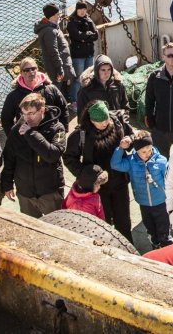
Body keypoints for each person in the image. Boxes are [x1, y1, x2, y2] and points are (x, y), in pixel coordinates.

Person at [64, 100, 134, 241]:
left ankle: (127, 244)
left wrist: (129, 141)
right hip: (98, 188)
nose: (105, 123)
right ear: (91, 120)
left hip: (119, 182)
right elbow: (69, 158)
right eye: (100, 121)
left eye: (106, 119)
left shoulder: (117, 123)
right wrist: (88, 174)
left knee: (123, 220)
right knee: (104, 221)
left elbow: (132, 135)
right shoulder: (81, 135)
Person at [0, 92, 67, 217]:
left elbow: (53, 154)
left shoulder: (57, 129)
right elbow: (9, 158)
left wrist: (31, 134)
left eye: (31, 113)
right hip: (25, 193)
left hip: (49, 191)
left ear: (42, 109)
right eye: (23, 114)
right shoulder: (16, 130)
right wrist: (7, 184)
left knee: (57, 227)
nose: (27, 118)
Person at [112, 130, 172, 249]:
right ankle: (155, 245)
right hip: (143, 203)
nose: (147, 153)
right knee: (150, 228)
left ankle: (166, 247)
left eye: (149, 150)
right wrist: (120, 148)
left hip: (161, 202)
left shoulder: (161, 161)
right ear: (136, 150)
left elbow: (170, 181)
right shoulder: (131, 162)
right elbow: (115, 164)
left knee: (163, 229)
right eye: (143, 151)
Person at [0, 58, 67, 135]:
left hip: (51, 133)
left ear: (37, 69)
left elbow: (64, 108)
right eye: (26, 70)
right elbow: (6, 120)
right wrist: (13, 138)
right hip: (26, 138)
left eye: (33, 68)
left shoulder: (51, 89)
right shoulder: (13, 96)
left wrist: (62, 132)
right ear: (21, 73)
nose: (31, 72)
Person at [75, 54, 127, 126]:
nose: (107, 73)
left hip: (116, 126)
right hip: (96, 128)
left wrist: (124, 122)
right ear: (96, 70)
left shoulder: (118, 85)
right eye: (103, 70)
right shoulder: (87, 89)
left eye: (109, 69)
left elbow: (125, 106)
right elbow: (81, 114)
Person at [35, 2, 75, 93]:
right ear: (51, 16)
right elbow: (53, 51)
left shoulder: (53, 27)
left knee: (61, 90)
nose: (59, 16)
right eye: (57, 14)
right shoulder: (49, 31)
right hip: (56, 70)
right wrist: (59, 69)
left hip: (61, 67)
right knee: (56, 91)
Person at [66, 0, 99, 105]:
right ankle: (74, 101)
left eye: (84, 9)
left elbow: (96, 35)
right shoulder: (72, 22)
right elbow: (77, 35)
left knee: (89, 77)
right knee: (77, 78)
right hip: (78, 55)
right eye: (80, 9)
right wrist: (87, 36)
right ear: (76, 9)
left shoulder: (89, 20)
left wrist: (85, 37)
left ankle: (87, 98)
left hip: (89, 54)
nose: (82, 11)